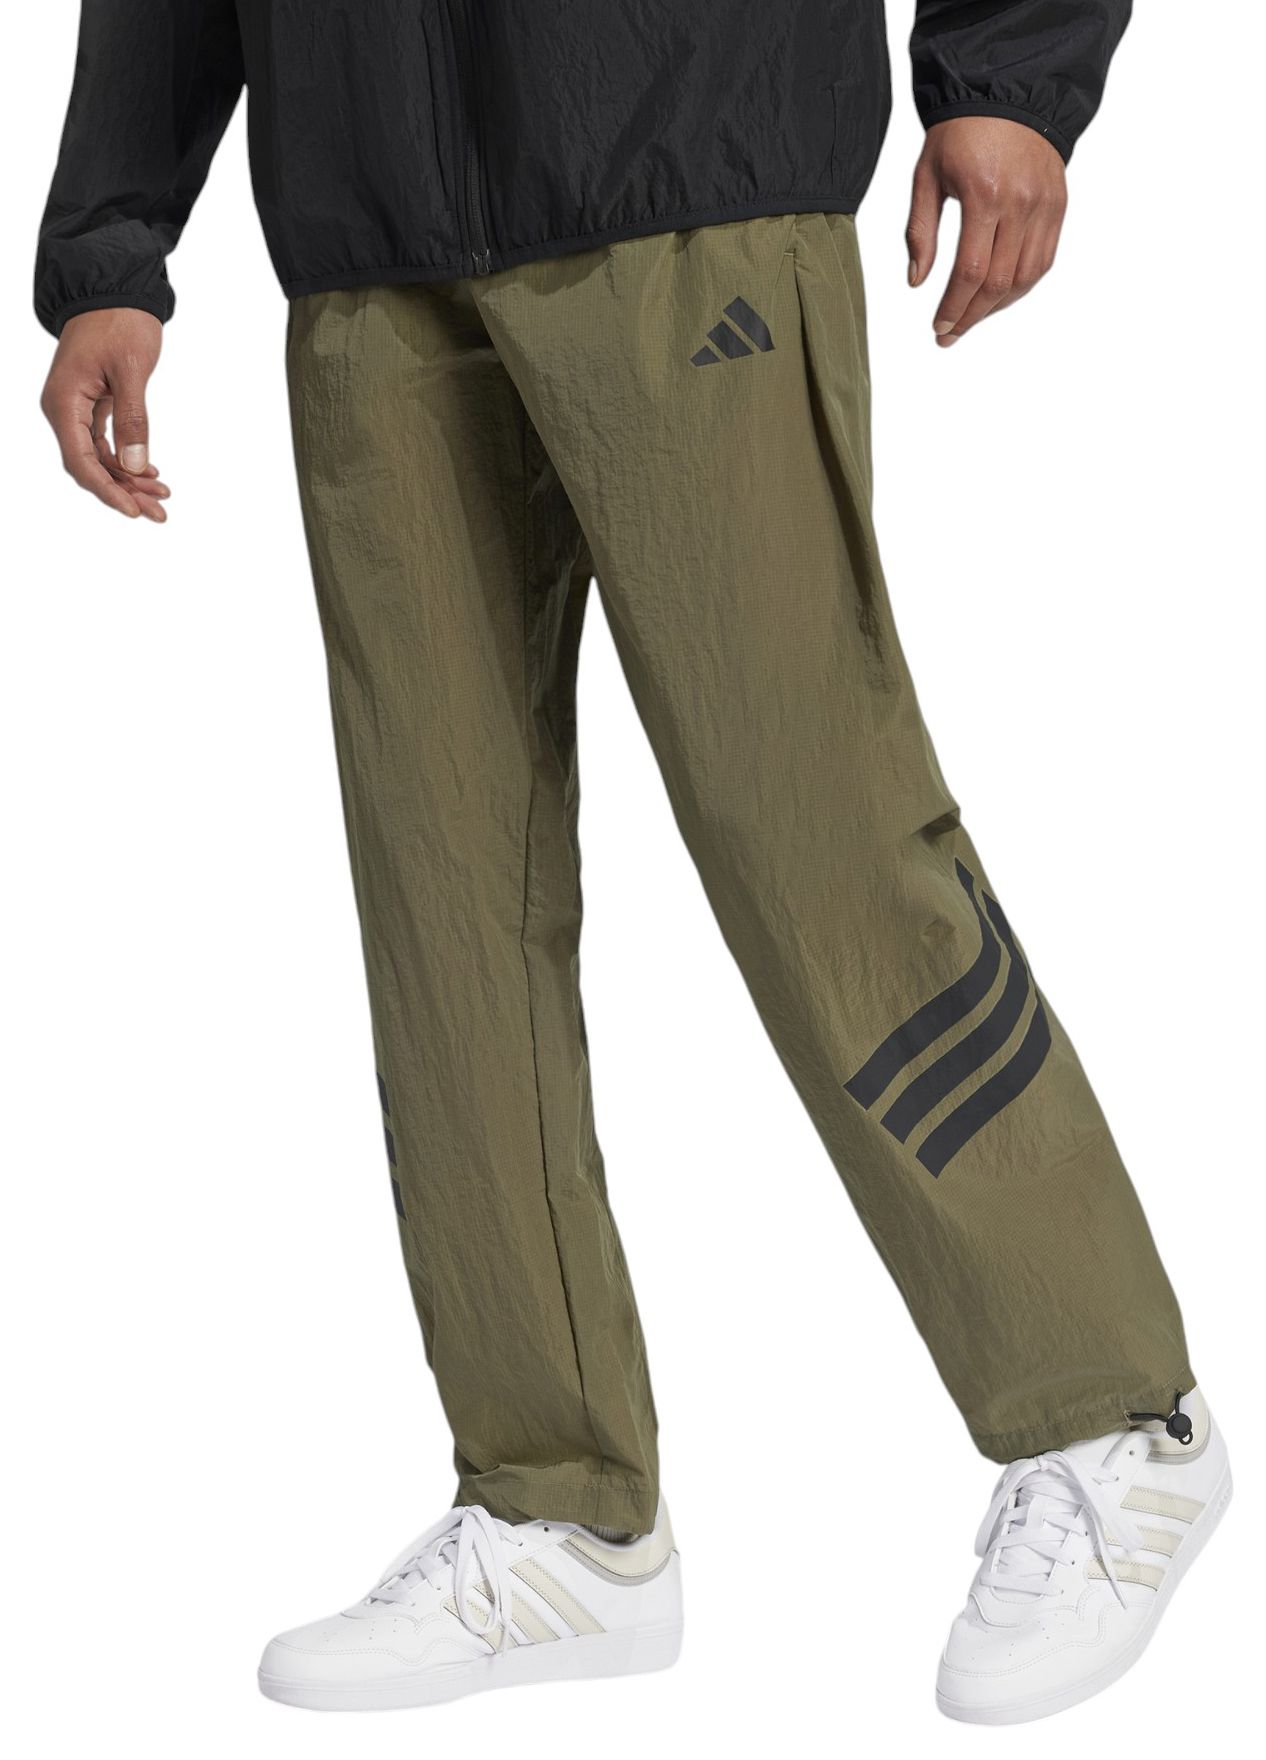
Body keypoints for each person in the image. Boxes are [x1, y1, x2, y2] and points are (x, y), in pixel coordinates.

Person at [35, 0, 1229, 1725]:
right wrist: (111, 242)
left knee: (815, 835)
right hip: (368, 228)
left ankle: (1112, 1414)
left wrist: (1013, 75)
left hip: (684, 149)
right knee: (444, 903)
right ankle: (557, 1510)